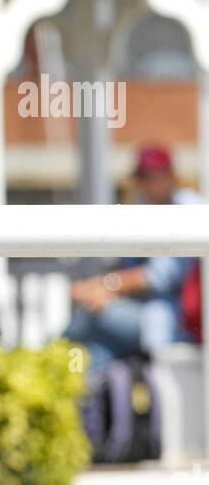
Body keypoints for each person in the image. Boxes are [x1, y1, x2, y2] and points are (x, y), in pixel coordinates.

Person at [62, 145, 202, 370]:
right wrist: (104, 290)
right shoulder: (145, 208)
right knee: (95, 352)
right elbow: (127, 265)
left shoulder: (188, 208)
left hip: (172, 322)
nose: (146, 185)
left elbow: (159, 277)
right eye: (142, 177)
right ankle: (69, 393)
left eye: (152, 177)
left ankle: (45, 357)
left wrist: (104, 286)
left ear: (170, 176)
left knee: (89, 314)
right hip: (144, 316)